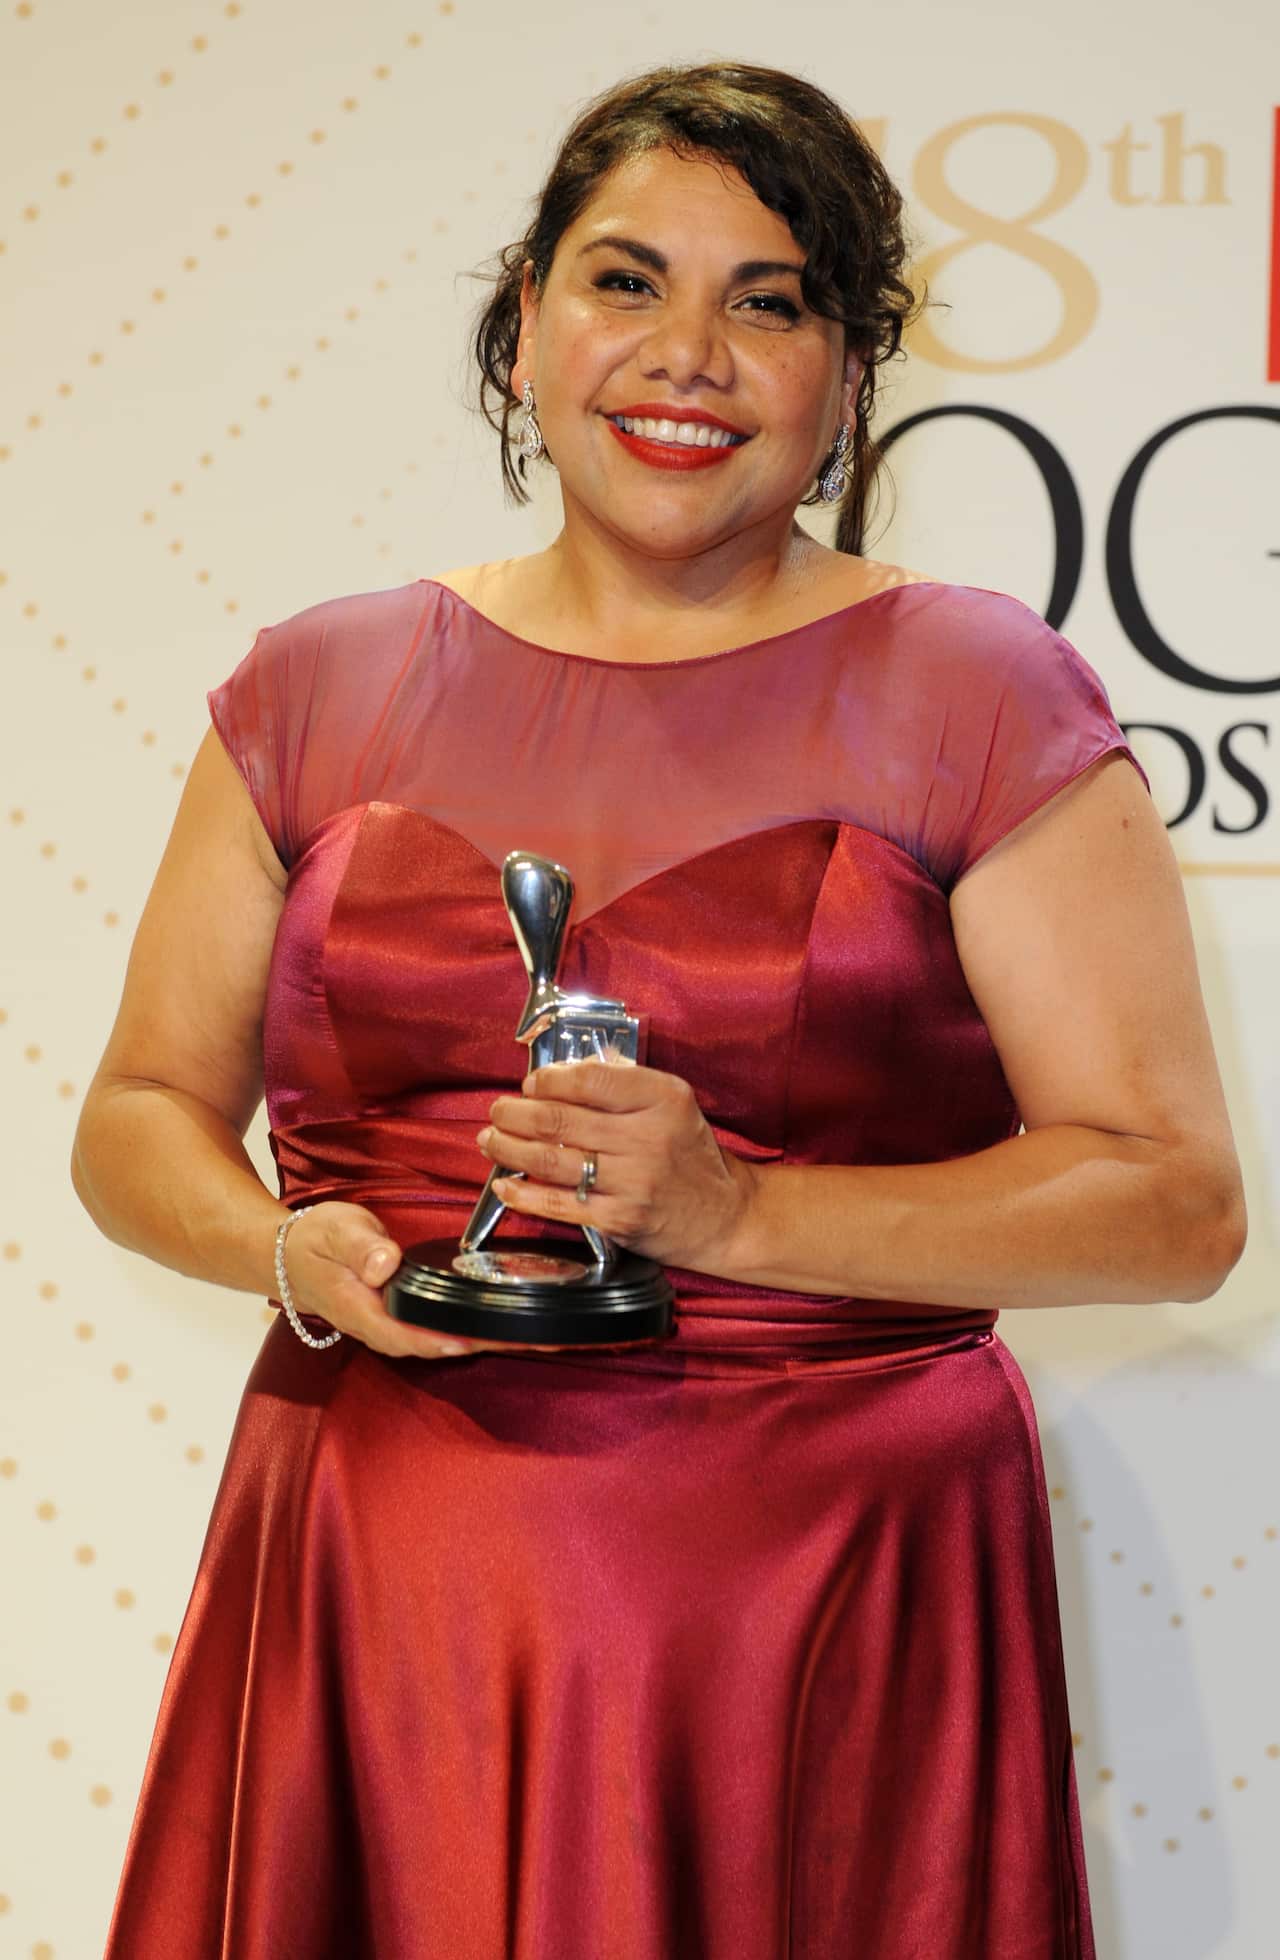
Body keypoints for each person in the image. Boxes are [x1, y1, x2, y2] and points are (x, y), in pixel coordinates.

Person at [73, 61, 1245, 1960]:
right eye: (626, 282)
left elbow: (1176, 1208)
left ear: (850, 369)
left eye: (768, 302)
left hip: (822, 1592)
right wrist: (293, 1249)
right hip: (392, 1572)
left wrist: (740, 1218)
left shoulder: (979, 694)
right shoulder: (316, 683)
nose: (687, 356)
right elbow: (133, 1115)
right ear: (523, 317)